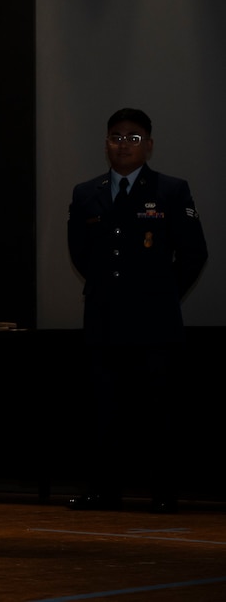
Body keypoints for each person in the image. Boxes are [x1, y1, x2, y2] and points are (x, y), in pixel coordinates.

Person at [66, 107, 207, 514]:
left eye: (132, 137)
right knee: (103, 411)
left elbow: (195, 254)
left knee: (158, 412)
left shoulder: (171, 191)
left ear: (148, 145)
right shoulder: (85, 192)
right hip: (103, 320)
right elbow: (81, 252)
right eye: (115, 136)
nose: (122, 144)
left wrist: (163, 295)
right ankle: (103, 491)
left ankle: (163, 493)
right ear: (106, 143)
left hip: (155, 324)